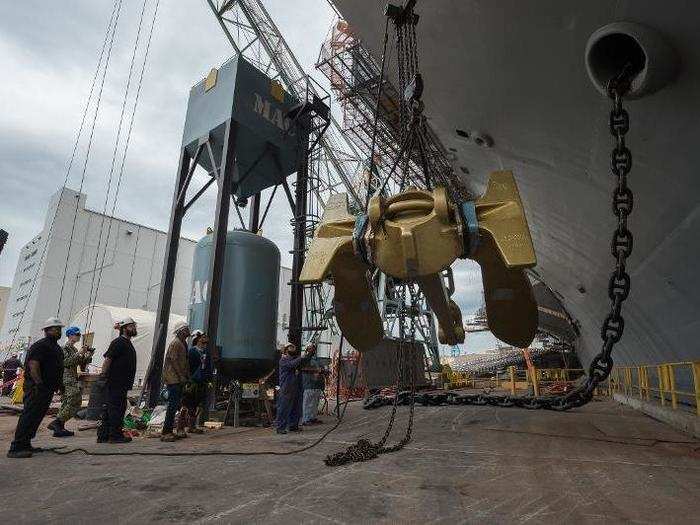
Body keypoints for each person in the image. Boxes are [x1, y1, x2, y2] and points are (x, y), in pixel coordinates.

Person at [7, 317, 65, 459]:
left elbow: (56, 368)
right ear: (46, 330)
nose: (58, 331)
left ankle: (26, 443)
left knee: (37, 415)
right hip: (36, 387)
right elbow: (33, 365)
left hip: (48, 388)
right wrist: (38, 384)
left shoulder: (57, 348)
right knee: (29, 414)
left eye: (59, 329)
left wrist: (60, 385)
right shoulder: (40, 345)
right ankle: (16, 447)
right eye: (54, 329)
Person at [97, 317, 137, 444]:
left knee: (111, 409)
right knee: (116, 409)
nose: (134, 328)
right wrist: (103, 375)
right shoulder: (119, 342)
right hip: (116, 382)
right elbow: (108, 359)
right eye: (131, 326)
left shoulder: (127, 343)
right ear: (124, 329)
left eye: (134, 326)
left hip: (121, 383)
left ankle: (104, 435)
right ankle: (115, 435)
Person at [48, 326, 93, 437]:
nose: (78, 336)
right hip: (66, 378)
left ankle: (59, 427)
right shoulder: (64, 348)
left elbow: (81, 362)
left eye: (78, 334)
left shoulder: (74, 349)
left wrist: (88, 354)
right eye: (76, 334)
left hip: (72, 377)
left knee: (67, 402)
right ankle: (57, 422)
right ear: (70, 335)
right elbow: (66, 363)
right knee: (75, 400)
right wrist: (79, 354)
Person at [275, 342, 315, 434]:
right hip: (286, 387)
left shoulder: (296, 359)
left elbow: (304, 362)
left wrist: (310, 353)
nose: (292, 349)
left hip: (296, 386)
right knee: (284, 408)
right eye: (290, 347)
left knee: (296, 407)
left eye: (293, 347)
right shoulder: (283, 360)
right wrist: (302, 356)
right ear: (285, 350)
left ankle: (293, 426)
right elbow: (292, 364)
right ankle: (280, 428)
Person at [161, 321, 191, 442]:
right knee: (172, 406)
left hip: (179, 379)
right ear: (181, 331)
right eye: (186, 329)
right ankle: (166, 432)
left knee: (178, 405)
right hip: (174, 379)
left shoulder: (183, 343)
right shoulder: (176, 343)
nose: (188, 331)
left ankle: (178, 428)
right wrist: (181, 376)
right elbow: (173, 361)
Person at [181, 330, 213, 434]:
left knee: (197, 404)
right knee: (189, 404)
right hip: (193, 382)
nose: (205, 339)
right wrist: (188, 380)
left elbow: (208, 368)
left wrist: (209, 380)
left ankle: (192, 426)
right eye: (203, 337)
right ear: (197, 339)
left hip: (202, 382)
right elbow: (187, 367)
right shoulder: (192, 352)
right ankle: (183, 426)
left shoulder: (206, 353)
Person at [301, 345, 325, 426]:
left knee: (315, 403)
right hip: (309, 384)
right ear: (307, 350)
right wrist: (316, 370)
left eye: (314, 349)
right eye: (311, 349)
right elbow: (303, 368)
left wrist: (323, 371)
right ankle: (306, 419)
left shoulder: (316, 359)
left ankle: (312, 417)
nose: (313, 350)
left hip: (317, 384)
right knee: (308, 403)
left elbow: (321, 368)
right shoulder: (304, 359)